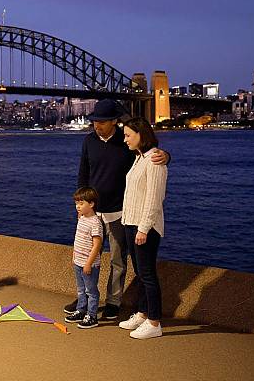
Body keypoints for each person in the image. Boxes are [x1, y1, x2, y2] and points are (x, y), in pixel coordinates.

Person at [65, 99, 169, 320]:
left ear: (114, 121)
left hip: (117, 211)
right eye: (94, 121)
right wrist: (80, 205)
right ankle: (85, 298)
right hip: (91, 211)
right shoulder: (89, 141)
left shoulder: (126, 143)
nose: (97, 125)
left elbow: (150, 156)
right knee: (85, 256)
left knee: (117, 259)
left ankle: (113, 300)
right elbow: (83, 173)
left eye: (102, 121)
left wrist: (167, 157)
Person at [118, 117, 167, 339]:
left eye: (128, 135)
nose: (125, 139)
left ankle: (154, 322)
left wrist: (144, 228)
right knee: (140, 272)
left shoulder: (155, 160)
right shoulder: (140, 158)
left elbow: (154, 199)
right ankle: (143, 313)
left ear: (141, 135)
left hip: (144, 226)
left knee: (147, 274)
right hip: (131, 222)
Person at [65, 187, 103, 329]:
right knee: (81, 289)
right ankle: (81, 310)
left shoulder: (95, 223)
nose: (77, 207)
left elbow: (97, 245)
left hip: (89, 264)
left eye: (81, 203)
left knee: (91, 291)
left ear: (91, 204)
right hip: (78, 261)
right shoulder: (81, 219)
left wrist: (89, 263)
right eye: (76, 203)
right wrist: (74, 255)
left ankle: (92, 315)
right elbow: (78, 239)